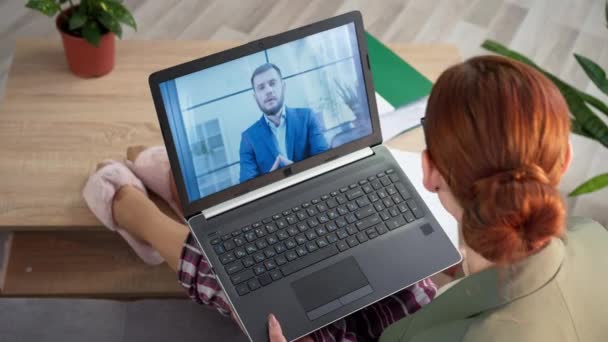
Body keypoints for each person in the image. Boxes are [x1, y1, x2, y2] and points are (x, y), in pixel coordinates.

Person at [83, 55, 608, 341]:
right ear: (562, 162)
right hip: (446, 308)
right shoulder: (595, 241)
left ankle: (132, 209)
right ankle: (175, 191)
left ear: (428, 172)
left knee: (253, 279)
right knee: (381, 272)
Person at [239, 63, 329, 182]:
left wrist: (296, 170)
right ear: (255, 97)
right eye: (261, 87)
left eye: (272, 83)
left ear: (283, 87)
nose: (269, 91)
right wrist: (271, 179)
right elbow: (248, 187)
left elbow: (324, 163)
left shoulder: (307, 117)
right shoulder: (248, 138)